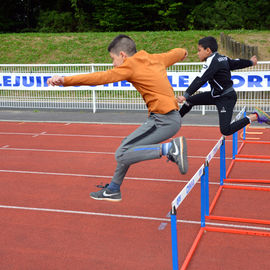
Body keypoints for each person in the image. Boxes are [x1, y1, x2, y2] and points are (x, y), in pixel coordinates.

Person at [47, 34, 189, 202]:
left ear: (122, 55)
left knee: (121, 154)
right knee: (126, 147)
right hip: (166, 118)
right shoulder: (155, 58)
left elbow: (99, 78)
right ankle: (113, 189)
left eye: (113, 59)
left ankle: (169, 149)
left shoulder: (129, 66)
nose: (113, 64)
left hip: (163, 120)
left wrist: (64, 80)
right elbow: (181, 52)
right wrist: (183, 52)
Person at [177, 36, 270, 136]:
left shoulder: (212, 62)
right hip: (216, 95)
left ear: (208, 50)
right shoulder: (222, 58)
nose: (197, 53)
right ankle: (176, 120)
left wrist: (185, 95)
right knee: (190, 101)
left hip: (226, 98)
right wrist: (251, 62)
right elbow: (236, 63)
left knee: (226, 130)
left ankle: (255, 116)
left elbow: (200, 79)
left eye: (199, 50)